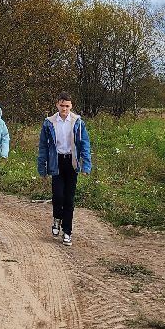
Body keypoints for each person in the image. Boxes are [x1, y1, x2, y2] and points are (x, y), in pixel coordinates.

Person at [37, 93, 93, 247]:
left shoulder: (77, 122)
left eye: (67, 106)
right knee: (58, 196)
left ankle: (67, 231)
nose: (64, 109)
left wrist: (86, 165)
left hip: (72, 163)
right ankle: (56, 219)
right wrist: (42, 167)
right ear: (57, 105)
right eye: (62, 105)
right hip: (57, 163)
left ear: (71, 106)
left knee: (69, 199)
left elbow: (85, 144)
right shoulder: (49, 123)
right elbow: (43, 146)